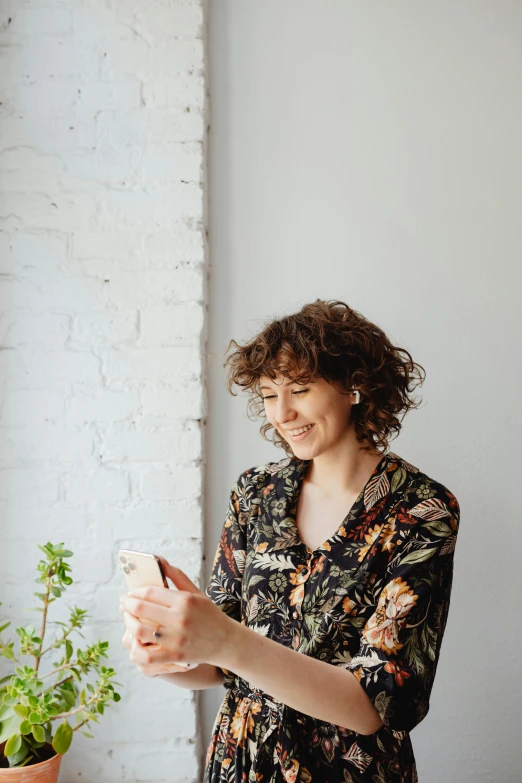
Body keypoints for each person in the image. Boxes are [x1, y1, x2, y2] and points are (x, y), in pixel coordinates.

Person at [119, 299, 461, 783]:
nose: (283, 413)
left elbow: (373, 706)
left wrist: (226, 640)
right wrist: (168, 656)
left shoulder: (421, 511)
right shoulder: (255, 493)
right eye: (268, 394)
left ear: (354, 386)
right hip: (241, 762)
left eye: (300, 389)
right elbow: (218, 669)